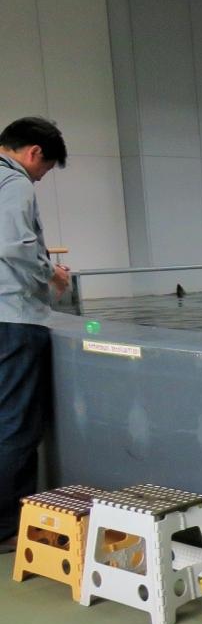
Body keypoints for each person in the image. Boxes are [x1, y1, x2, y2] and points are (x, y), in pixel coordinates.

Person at [0, 117, 69, 551]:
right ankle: (6, 526)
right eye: (44, 169)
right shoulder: (15, 182)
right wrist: (51, 274)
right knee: (15, 424)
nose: (40, 177)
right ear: (34, 153)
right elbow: (15, 245)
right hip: (12, 318)